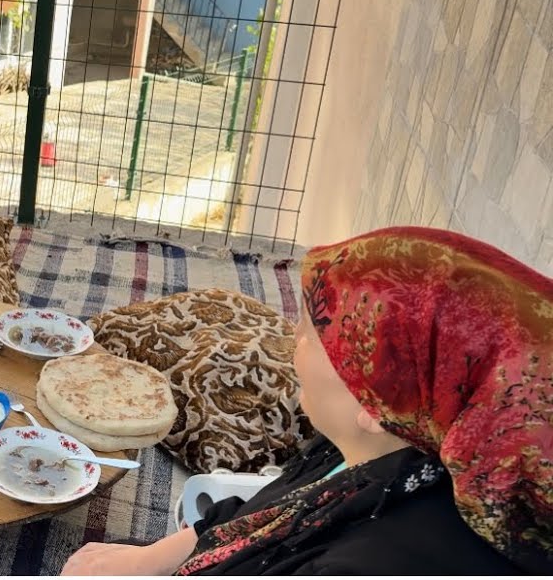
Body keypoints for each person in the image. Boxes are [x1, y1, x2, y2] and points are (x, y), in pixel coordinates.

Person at [61, 226, 551, 575]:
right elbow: (267, 510)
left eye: (315, 334)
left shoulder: (374, 564)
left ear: (374, 404)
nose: (292, 338)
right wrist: (145, 561)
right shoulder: (382, 448)